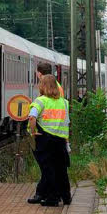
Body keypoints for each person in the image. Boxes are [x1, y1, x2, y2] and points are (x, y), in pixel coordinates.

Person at [28, 74, 71, 206]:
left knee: (49, 169)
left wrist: (33, 131)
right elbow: (67, 122)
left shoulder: (41, 101)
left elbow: (32, 117)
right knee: (61, 169)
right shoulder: (64, 102)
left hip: (46, 140)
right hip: (61, 140)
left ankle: (52, 198)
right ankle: (66, 197)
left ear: (43, 86)